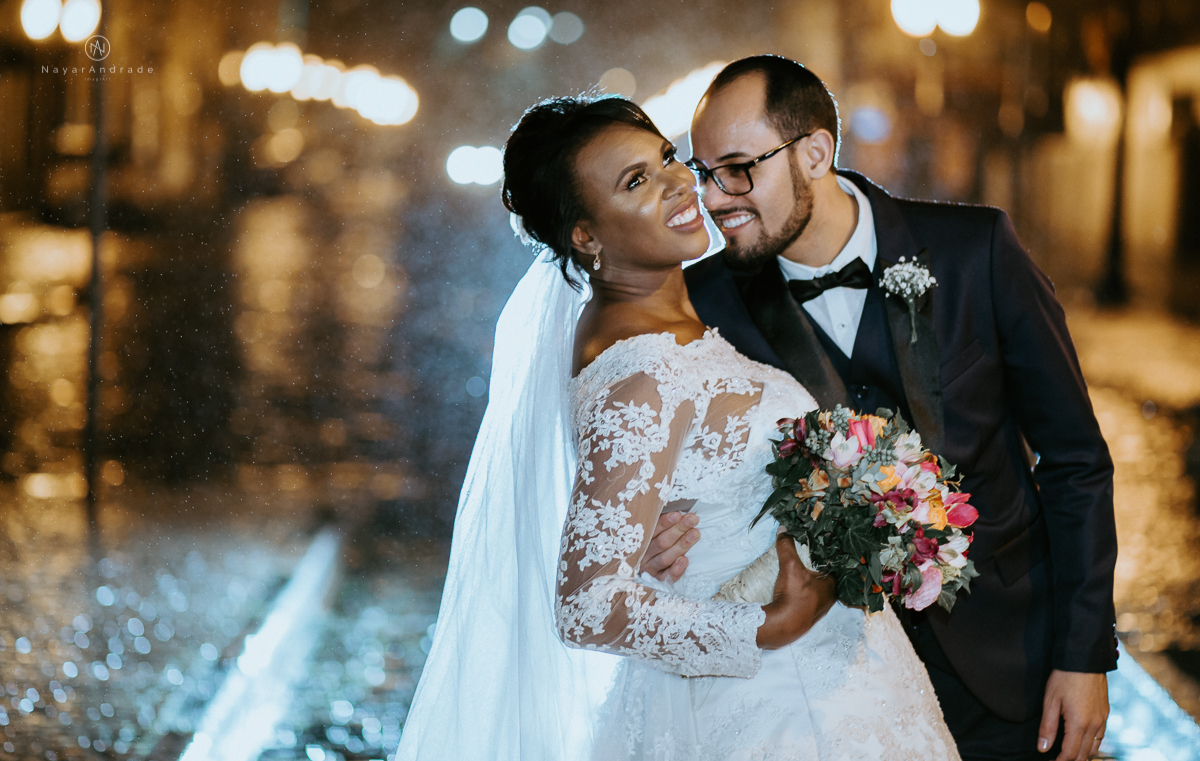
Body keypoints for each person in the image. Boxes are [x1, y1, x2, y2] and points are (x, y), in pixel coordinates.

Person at [397, 95, 960, 761]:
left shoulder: (669, 325)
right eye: (636, 181)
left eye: (665, 157)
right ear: (585, 235)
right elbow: (587, 601)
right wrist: (766, 627)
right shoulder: (642, 372)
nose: (677, 182)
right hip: (775, 713)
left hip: (838, 689)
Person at [643, 55, 1117, 761]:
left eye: (739, 168)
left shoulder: (976, 250)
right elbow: (680, 478)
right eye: (705, 171)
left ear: (814, 152)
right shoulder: (703, 304)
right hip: (837, 695)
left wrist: (1082, 654)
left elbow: (1076, 458)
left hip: (1012, 659)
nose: (715, 198)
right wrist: (661, 536)